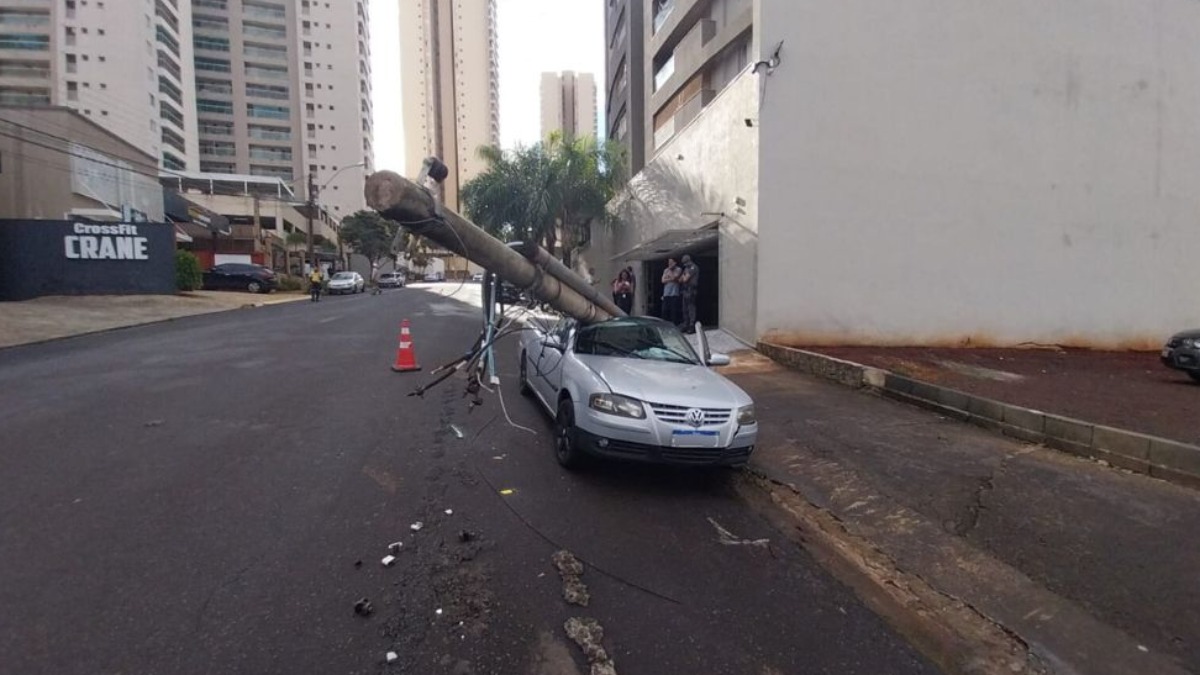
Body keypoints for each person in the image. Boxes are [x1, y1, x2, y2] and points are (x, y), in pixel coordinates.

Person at [680, 254, 700, 333]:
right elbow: (680, 279)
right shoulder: (686, 268)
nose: (685, 265)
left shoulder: (693, 267)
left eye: (685, 263)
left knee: (691, 308)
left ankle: (692, 325)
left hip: (691, 290)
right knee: (685, 309)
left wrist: (684, 277)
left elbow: (685, 279)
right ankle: (686, 324)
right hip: (685, 290)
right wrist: (683, 277)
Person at [660, 258, 682, 326]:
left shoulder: (678, 269)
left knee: (674, 311)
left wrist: (669, 276)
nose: (669, 263)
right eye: (669, 262)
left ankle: (674, 325)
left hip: (674, 293)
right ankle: (665, 325)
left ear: (675, 262)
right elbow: (663, 280)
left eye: (671, 262)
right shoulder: (666, 270)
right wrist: (670, 278)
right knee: (664, 310)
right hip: (666, 293)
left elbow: (674, 277)